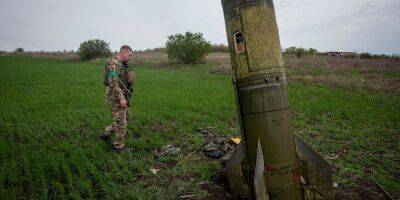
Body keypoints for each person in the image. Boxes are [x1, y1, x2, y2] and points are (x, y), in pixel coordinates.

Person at [100, 45, 135, 152]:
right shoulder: (113, 64)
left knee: (127, 117)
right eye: (129, 55)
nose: (131, 57)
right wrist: (121, 98)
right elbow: (113, 83)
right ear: (123, 53)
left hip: (121, 95)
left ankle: (106, 133)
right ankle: (119, 146)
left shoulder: (122, 64)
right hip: (115, 96)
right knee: (121, 122)